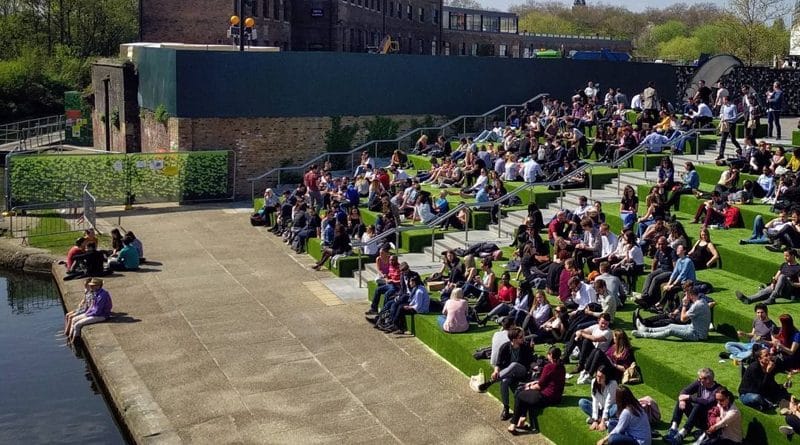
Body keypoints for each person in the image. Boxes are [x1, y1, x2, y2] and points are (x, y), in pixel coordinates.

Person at [476, 326, 535, 420]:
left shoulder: (525, 346)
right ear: (514, 339)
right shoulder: (505, 347)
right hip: (508, 373)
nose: (523, 338)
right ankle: (506, 409)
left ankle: (491, 382)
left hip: (521, 371)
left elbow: (531, 361)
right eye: (521, 337)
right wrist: (496, 371)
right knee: (504, 381)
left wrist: (534, 366)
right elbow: (498, 363)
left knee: (514, 364)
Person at [507, 346, 566, 435]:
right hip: (556, 397)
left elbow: (539, 386)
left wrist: (529, 386)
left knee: (520, 394)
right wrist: (534, 383)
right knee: (526, 395)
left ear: (550, 355)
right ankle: (521, 421)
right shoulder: (562, 367)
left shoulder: (549, 367)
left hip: (546, 397)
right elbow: (548, 381)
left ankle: (513, 424)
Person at [665, 368, 721, 444]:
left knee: (698, 405)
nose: (699, 380)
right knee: (682, 399)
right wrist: (682, 400)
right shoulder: (700, 383)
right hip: (696, 417)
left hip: (707, 421)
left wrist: (689, 397)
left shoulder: (718, 390)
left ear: (709, 379)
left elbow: (707, 402)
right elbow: (684, 391)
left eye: (701, 379)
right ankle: (674, 427)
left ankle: (683, 432)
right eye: (699, 378)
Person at [632, 287, 710, 341]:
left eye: (686, 294)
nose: (685, 296)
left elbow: (683, 319)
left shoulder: (697, 305)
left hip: (697, 335)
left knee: (671, 331)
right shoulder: (702, 300)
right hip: (692, 327)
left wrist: (684, 305)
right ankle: (646, 329)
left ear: (690, 295)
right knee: (671, 326)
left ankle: (643, 334)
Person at [736, 248, 800, 305]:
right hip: (778, 287)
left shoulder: (798, 268)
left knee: (782, 276)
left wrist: (792, 283)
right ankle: (748, 300)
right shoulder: (784, 264)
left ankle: (772, 299)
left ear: (793, 256)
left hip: (788, 290)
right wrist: (773, 283)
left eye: (787, 256)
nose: (785, 257)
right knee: (765, 291)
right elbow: (776, 276)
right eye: (784, 256)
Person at [67, 278, 112, 343]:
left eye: (93, 285)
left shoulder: (102, 295)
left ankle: (74, 342)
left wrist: (87, 315)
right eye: (91, 285)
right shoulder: (96, 292)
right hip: (93, 313)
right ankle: (69, 337)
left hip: (102, 315)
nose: (91, 287)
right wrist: (87, 313)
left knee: (77, 325)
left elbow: (98, 311)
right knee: (74, 319)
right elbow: (92, 306)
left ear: (98, 286)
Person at [579, 365, 618, 432]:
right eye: (597, 376)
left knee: (616, 407)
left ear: (606, 377)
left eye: (601, 377)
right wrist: (595, 420)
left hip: (610, 409)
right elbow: (595, 401)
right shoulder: (594, 382)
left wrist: (603, 421)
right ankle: (601, 419)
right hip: (600, 409)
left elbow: (608, 403)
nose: (598, 379)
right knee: (582, 402)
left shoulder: (613, 384)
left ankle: (604, 420)